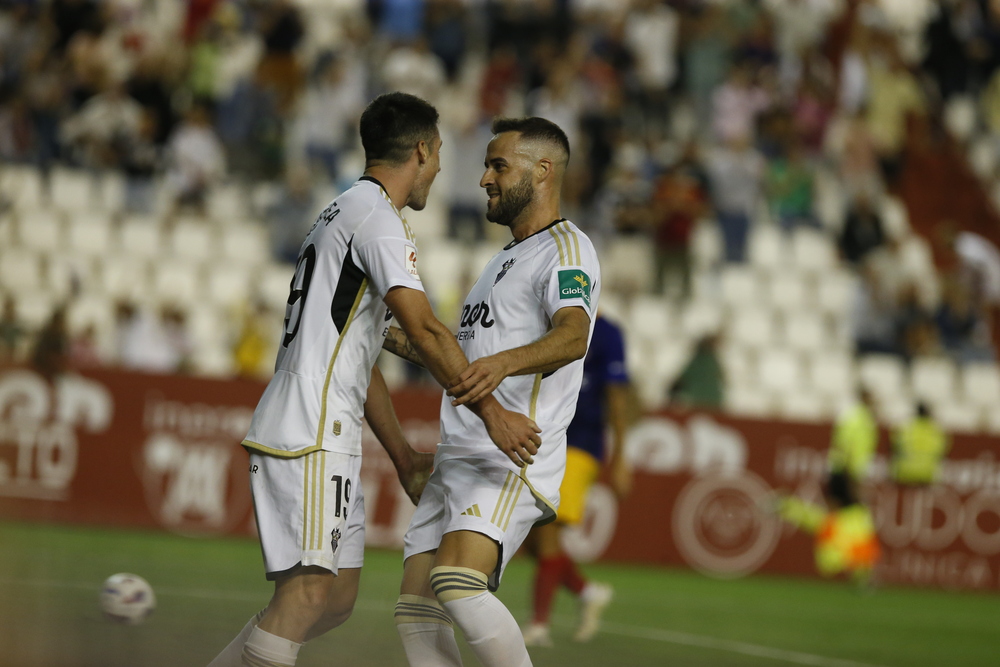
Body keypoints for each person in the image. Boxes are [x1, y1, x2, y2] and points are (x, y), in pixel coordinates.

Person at [207, 93, 540, 667]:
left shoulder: (342, 210)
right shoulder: (378, 221)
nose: (438, 171)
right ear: (422, 149)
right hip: (311, 428)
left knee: (333, 599)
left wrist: (405, 456)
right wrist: (495, 414)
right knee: (307, 594)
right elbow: (426, 330)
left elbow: (361, 353)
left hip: (321, 426)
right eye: (438, 157)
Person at [382, 117, 600, 667]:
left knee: (458, 582)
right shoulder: (503, 260)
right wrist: (379, 333)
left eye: (497, 165)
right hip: (458, 455)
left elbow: (573, 336)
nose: (483, 178)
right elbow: (457, 356)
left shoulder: (566, 249)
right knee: (416, 609)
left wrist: (503, 364)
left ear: (542, 170)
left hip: (507, 454)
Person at [521, 312, 631, 647]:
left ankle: (539, 625)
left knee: (547, 530)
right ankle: (588, 592)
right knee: (530, 538)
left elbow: (616, 395)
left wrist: (622, 456)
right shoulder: (543, 319)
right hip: (541, 434)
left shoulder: (607, 332)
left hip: (580, 442)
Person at [777, 388, 881, 585]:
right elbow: (849, 449)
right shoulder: (859, 420)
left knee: (835, 522)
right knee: (859, 522)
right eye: (872, 397)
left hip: (840, 472)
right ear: (865, 398)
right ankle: (860, 574)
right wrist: (853, 480)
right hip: (846, 473)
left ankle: (787, 506)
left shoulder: (854, 418)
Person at [891, 403, 949, 487]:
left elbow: (896, 446)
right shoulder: (936, 431)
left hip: (905, 472)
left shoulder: (906, 428)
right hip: (927, 474)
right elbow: (942, 451)